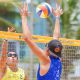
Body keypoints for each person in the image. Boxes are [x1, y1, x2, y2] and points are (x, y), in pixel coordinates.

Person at [20, 3, 63, 80]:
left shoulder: (45, 59)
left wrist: (23, 17)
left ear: (47, 49)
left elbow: (27, 38)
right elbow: (56, 36)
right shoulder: (59, 59)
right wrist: (57, 17)